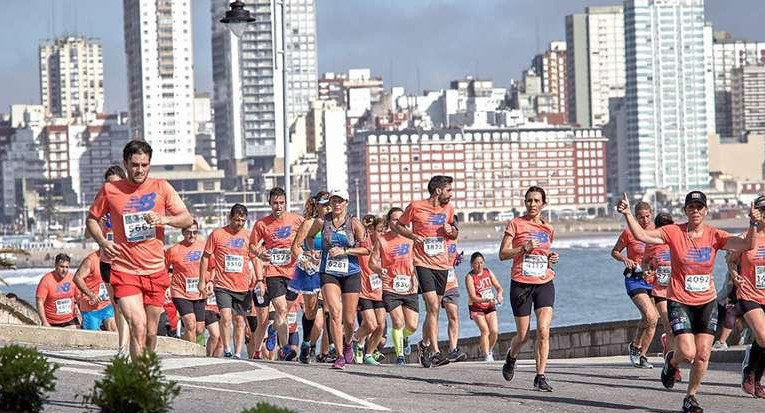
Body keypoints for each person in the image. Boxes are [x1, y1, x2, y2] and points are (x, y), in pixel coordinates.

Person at [617, 190, 759, 413]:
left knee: (703, 354)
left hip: (706, 302)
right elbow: (644, 236)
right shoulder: (674, 232)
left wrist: (753, 223)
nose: (695, 211)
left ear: (705, 211)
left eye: (699, 207)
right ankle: (672, 363)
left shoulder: (714, 235)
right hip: (680, 301)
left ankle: (691, 397)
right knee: (687, 353)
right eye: (691, 207)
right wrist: (627, 214)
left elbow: (747, 245)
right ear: (685, 210)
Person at [86, 140, 192, 357]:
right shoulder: (110, 189)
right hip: (125, 271)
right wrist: (103, 242)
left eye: (144, 165)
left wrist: (163, 219)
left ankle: (145, 368)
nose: (140, 170)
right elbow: (92, 220)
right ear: (125, 163)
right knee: (139, 326)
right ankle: (138, 381)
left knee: (152, 333)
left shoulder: (161, 187)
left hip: (155, 271)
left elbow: (187, 218)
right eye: (135, 165)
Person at [390, 175, 458, 368]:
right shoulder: (415, 206)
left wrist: (450, 231)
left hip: (442, 264)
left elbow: (454, 232)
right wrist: (413, 236)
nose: (451, 194)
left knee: (433, 310)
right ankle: (436, 352)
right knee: (433, 305)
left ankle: (424, 344)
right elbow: (398, 225)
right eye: (448, 191)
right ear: (438, 191)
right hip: (422, 263)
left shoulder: (448, 209)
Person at [499, 186, 559, 392]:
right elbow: (503, 254)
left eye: (536, 200)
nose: (532, 204)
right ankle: (511, 356)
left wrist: (551, 258)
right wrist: (522, 248)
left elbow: (544, 253)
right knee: (523, 335)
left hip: (544, 282)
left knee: (543, 330)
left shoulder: (548, 228)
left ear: (543, 203)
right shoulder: (515, 224)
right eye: (529, 201)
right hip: (521, 283)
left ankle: (540, 376)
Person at [304, 189, 369, 369]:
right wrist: (312, 252)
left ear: (346, 202)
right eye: (334, 201)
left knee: (349, 319)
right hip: (328, 271)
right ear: (330, 203)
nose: (337, 204)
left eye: (340, 201)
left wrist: (345, 251)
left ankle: (348, 343)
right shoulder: (321, 222)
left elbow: (366, 249)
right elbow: (309, 237)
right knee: (334, 313)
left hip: (351, 272)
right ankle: (339, 355)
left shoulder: (354, 223)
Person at [250, 187, 305, 361]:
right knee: (281, 309)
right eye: (275, 203)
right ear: (270, 204)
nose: (278, 206)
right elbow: (252, 245)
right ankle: (285, 349)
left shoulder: (297, 220)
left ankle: (274, 329)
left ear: (285, 203)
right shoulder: (261, 224)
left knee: (284, 313)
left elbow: (309, 235)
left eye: (281, 203)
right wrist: (259, 253)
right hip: (274, 272)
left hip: (294, 272)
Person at [198, 203, 253, 358]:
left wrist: (259, 277)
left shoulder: (248, 236)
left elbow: (255, 258)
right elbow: (205, 257)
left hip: (242, 286)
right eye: (236, 220)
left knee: (240, 322)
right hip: (222, 285)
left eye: (243, 220)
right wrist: (202, 280)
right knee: (226, 317)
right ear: (230, 218)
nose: (239, 224)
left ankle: (237, 353)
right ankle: (227, 348)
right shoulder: (217, 234)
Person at [611, 201, 658, 369]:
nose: (644, 220)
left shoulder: (657, 231)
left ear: (651, 214)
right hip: (635, 279)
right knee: (650, 316)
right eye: (640, 217)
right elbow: (614, 251)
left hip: (653, 280)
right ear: (635, 217)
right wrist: (625, 259)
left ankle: (640, 352)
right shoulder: (629, 232)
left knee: (652, 319)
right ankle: (636, 349)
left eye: (647, 216)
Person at [88, 165, 130, 354]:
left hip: (126, 261)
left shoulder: (129, 202)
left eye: (115, 184)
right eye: (108, 184)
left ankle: (129, 346)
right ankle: (123, 347)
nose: (111, 188)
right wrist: (99, 227)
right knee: (117, 307)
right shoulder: (101, 202)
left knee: (126, 305)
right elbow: (87, 231)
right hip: (107, 262)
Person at [727, 194, 765, 398]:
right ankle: (749, 370)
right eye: (762, 210)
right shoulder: (746, 237)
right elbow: (731, 260)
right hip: (749, 294)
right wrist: (734, 274)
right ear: (755, 213)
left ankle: (755, 378)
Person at [370, 207, 419, 366]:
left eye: (400, 219)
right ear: (388, 222)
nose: (397, 222)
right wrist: (379, 270)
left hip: (410, 287)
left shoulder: (411, 238)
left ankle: (404, 337)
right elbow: (372, 262)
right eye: (394, 220)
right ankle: (400, 356)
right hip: (390, 287)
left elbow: (420, 258)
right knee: (398, 322)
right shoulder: (382, 240)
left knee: (412, 325)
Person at [290, 191, 331, 363]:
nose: (328, 207)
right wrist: (305, 259)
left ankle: (332, 349)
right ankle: (306, 343)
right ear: (317, 205)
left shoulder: (335, 224)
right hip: (310, 271)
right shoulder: (309, 223)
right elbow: (295, 247)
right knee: (311, 312)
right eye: (324, 204)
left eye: (330, 204)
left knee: (331, 308)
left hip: (330, 269)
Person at [642, 212, 682, 381]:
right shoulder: (652, 244)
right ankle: (674, 368)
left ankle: (669, 350)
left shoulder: (679, 242)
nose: (666, 228)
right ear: (658, 228)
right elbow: (644, 261)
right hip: (660, 291)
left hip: (679, 291)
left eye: (669, 224)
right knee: (670, 326)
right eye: (662, 225)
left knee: (679, 330)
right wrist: (646, 271)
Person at [165, 220, 206, 343]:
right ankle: (191, 355)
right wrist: (166, 287)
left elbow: (212, 266)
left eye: (195, 232)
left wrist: (209, 282)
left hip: (199, 292)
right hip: (180, 291)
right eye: (189, 232)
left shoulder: (203, 247)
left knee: (199, 329)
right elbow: (164, 269)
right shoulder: (174, 250)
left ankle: (181, 343)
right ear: (183, 232)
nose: (192, 235)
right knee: (190, 325)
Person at [353, 215, 386, 365]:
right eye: (379, 230)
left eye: (384, 230)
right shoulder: (363, 245)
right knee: (371, 324)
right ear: (371, 230)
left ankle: (368, 354)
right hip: (364, 290)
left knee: (380, 326)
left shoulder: (385, 245)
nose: (382, 233)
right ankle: (353, 341)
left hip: (380, 291)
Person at [465, 252, 503, 361]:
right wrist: (486, 299)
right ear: (472, 264)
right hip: (476, 307)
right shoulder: (470, 277)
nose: (479, 265)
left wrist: (499, 295)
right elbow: (473, 297)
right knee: (485, 331)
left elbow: (499, 287)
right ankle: (486, 355)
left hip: (490, 306)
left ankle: (489, 350)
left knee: (494, 331)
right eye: (476, 263)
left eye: (481, 263)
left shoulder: (488, 272)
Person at [72, 250, 116, 331]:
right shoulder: (91, 260)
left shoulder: (114, 258)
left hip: (107, 304)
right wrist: (91, 295)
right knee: (92, 338)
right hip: (90, 307)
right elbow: (77, 278)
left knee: (113, 329)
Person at [35, 253, 78, 328]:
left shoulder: (72, 278)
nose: (64, 270)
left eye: (67, 267)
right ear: (55, 266)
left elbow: (79, 297)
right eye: (61, 267)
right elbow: (39, 301)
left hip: (70, 319)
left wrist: (77, 307)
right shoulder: (46, 280)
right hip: (51, 321)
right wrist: (44, 322)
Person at [442, 239, 467, 362]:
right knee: (432, 316)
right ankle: (427, 346)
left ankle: (453, 350)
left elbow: (453, 256)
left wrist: (457, 257)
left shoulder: (453, 239)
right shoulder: (432, 234)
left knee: (453, 317)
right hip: (434, 284)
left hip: (451, 284)